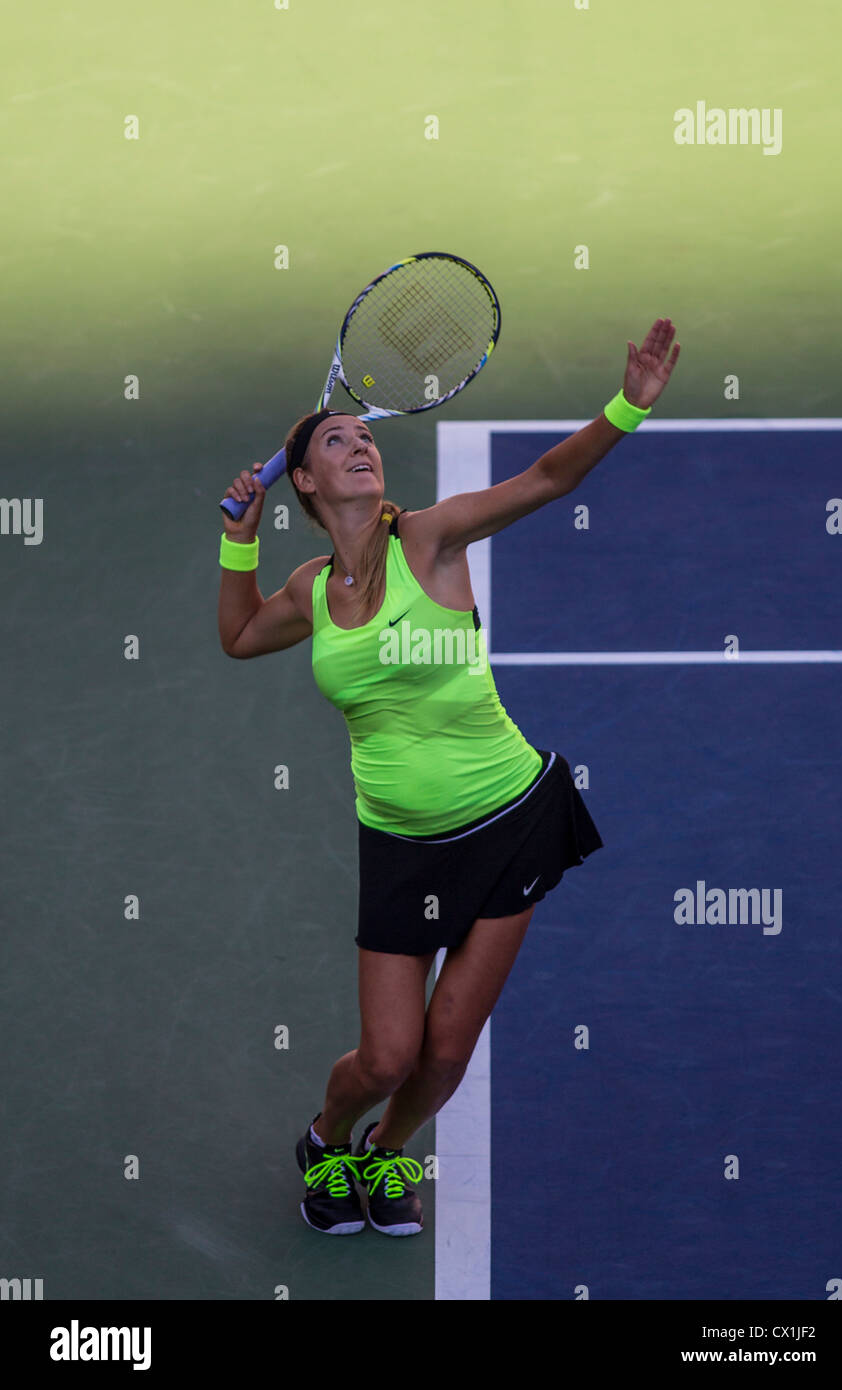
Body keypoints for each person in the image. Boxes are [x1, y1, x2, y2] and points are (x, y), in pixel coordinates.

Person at [217, 318, 680, 1238]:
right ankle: (329, 1136)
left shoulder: (429, 539)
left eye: (366, 437)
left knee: (444, 1053)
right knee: (386, 1055)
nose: (360, 445)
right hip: (398, 845)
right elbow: (238, 637)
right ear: (303, 481)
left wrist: (630, 403)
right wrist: (239, 539)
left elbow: (548, 480)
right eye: (336, 440)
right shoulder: (311, 590)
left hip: (508, 818)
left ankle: (388, 1153)